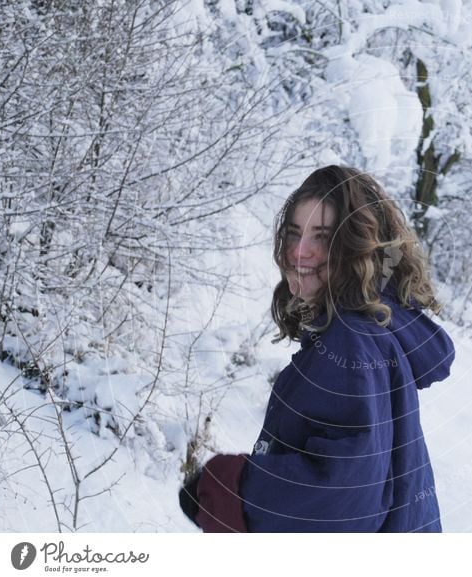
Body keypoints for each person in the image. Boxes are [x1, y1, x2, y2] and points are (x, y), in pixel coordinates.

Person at [179, 165, 455, 532]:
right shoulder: (376, 331)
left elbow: (346, 491)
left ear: (358, 247)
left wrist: (229, 486)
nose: (298, 252)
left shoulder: (352, 342)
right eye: (294, 233)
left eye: (322, 237)